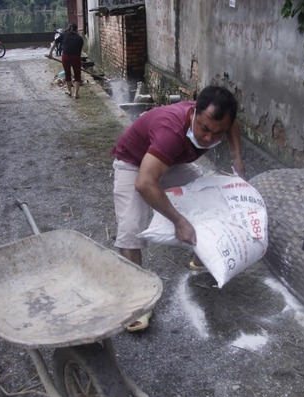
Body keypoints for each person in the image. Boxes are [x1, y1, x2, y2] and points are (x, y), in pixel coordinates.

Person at [110, 85, 246, 331]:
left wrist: (236, 157)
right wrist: (178, 220)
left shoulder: (218, 124)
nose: (208, 138)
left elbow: (232, 126)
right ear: (194, 112)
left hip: (170, 162)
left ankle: (200, 258)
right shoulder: (170, 131)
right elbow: (144, 183)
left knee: (210, 201)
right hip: (133, 163)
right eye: (204, 128)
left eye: (218, 134)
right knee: (131, 230)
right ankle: (137, 301)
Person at [55, 23, 84, 99]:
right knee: (77, 76)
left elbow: (55, 42)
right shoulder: (80, 39)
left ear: (68, 28)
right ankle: (76, 94)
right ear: (76, 29)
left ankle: (69, 91)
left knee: (67, 74)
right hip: (76, 57)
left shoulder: (64, 34)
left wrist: (50, 53)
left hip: (66, 57)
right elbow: (79, 52)